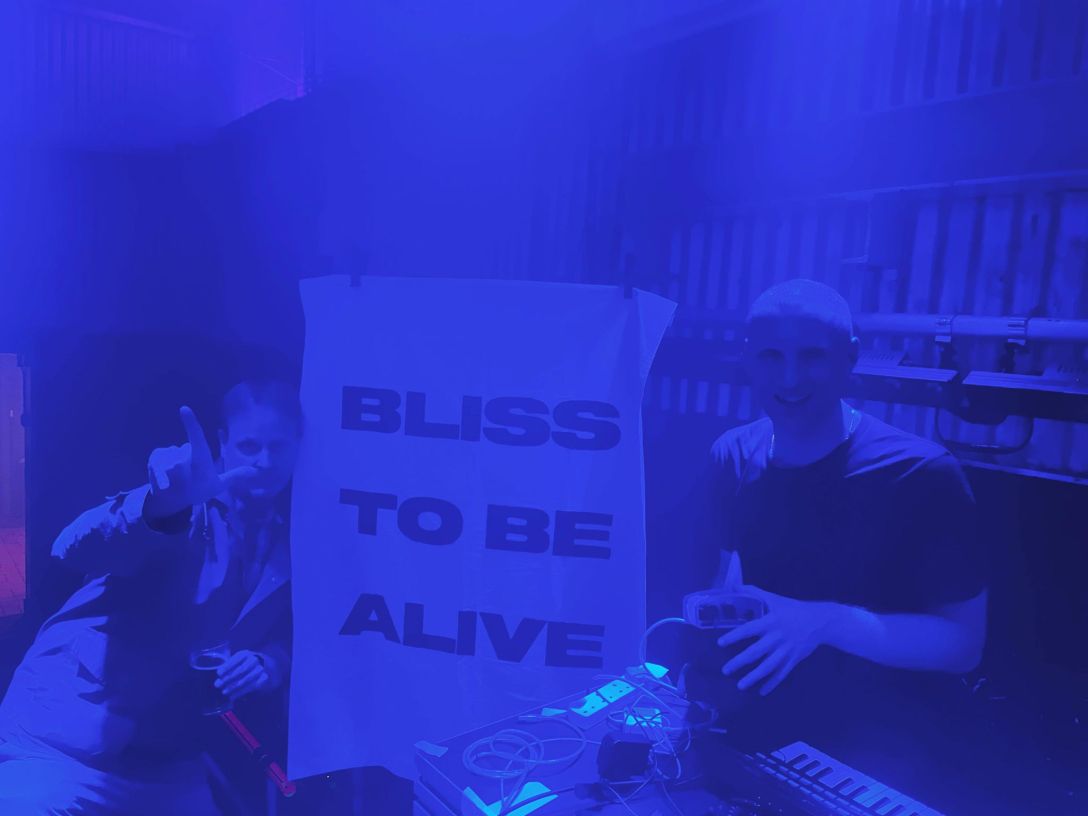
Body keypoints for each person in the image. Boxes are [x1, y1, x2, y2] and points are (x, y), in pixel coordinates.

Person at [693, 279, 988, 747]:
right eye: (771, 356)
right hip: (770, 721)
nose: (790, 379)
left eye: (812, 356)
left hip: (887, 741)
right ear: (748, 358)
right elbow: (729, 579)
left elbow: (963, 645)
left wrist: (825, 621)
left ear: (850, 357)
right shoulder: (732, 455)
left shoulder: (921, 473)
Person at [0, 380, 301, 815]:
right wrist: (158, 507)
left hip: (169, 762)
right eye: (250, 445)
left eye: (279, 447)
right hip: (62, 745)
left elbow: (305, 630)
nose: (264, 461)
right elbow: (72, 546)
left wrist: (270, 662)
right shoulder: (183, 505)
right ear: (222, 443)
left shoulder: (298, 535)